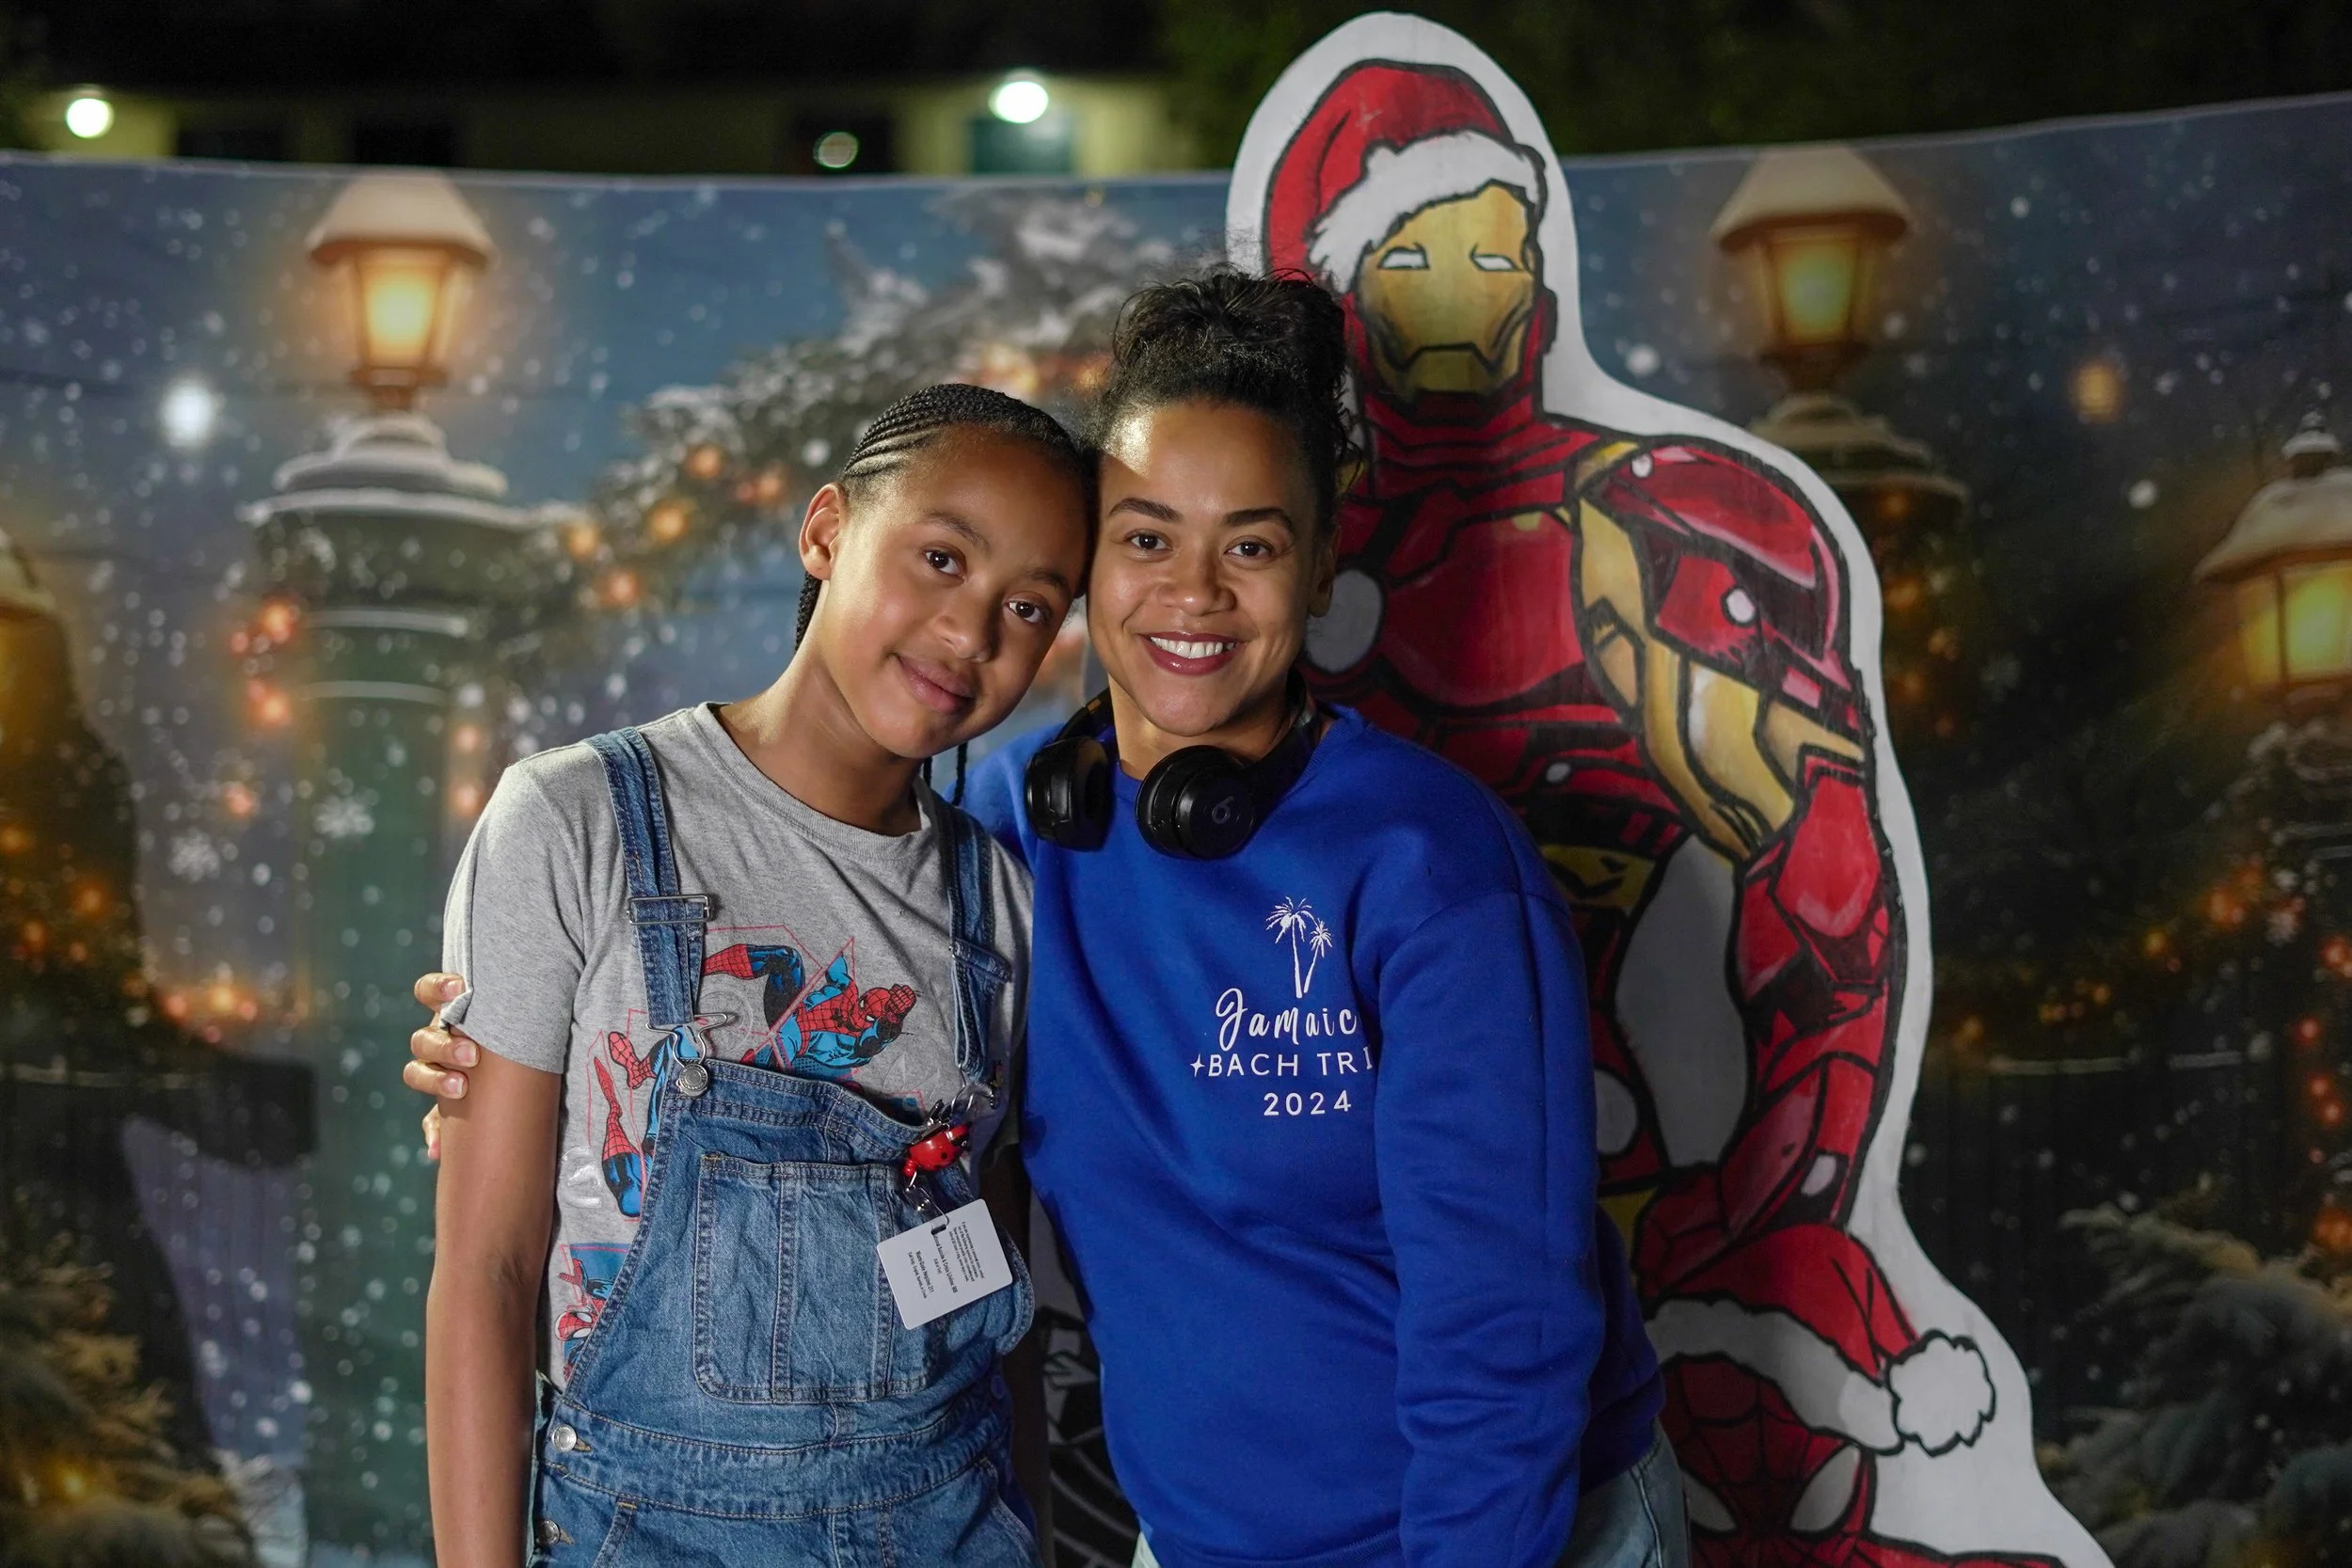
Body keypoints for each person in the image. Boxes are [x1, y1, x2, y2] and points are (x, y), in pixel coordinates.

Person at [413, 273, 1682, 1568]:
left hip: (1481, 1529)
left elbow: (1505, 1344)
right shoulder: (1023, 846)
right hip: (1190, 1541)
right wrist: (531, 1059)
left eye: (1250, 542)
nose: (1191, 592)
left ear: (1317, 567)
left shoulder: (1429, 865)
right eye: (1144, 537)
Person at [421, 384, 1089, 1567]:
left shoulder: (1005, 905)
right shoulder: (579, 821)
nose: (969, 631)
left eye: (1029, 605)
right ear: (827, 530)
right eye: (940, 557)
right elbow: (487, 1266)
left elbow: (995, 1296)